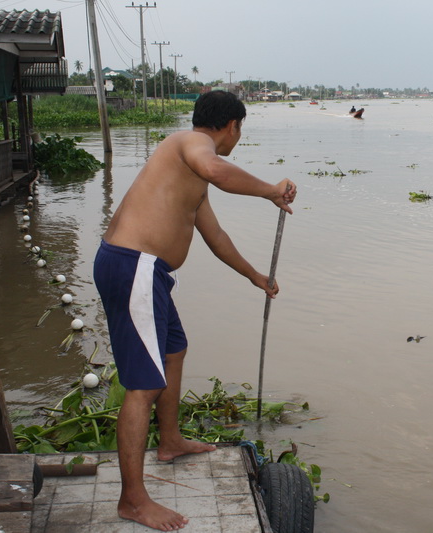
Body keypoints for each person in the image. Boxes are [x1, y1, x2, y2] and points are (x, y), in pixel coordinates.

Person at [93, 90, 296, 531]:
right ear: (233, 127)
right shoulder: (191, 146)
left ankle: (169, 441)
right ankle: (133, 500)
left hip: (149, 274)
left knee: (174, 351)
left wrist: (255, 276)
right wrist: (269, 190)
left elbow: (215, 236)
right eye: (239, 131)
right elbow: (215, 169)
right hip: (135, 268)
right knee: (142, 386)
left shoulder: (192, 174)